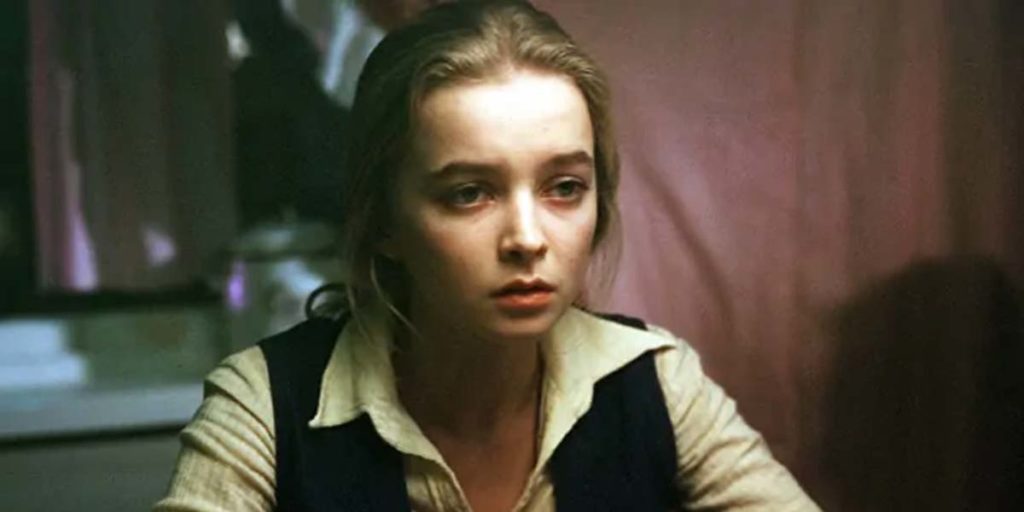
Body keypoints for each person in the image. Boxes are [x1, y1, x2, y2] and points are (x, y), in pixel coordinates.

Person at [156, 1, 819, 510]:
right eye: (469, 193)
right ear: (384, 221)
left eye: (565, 188)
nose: (527, 238)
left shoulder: (655, 383)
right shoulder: (266, 405)